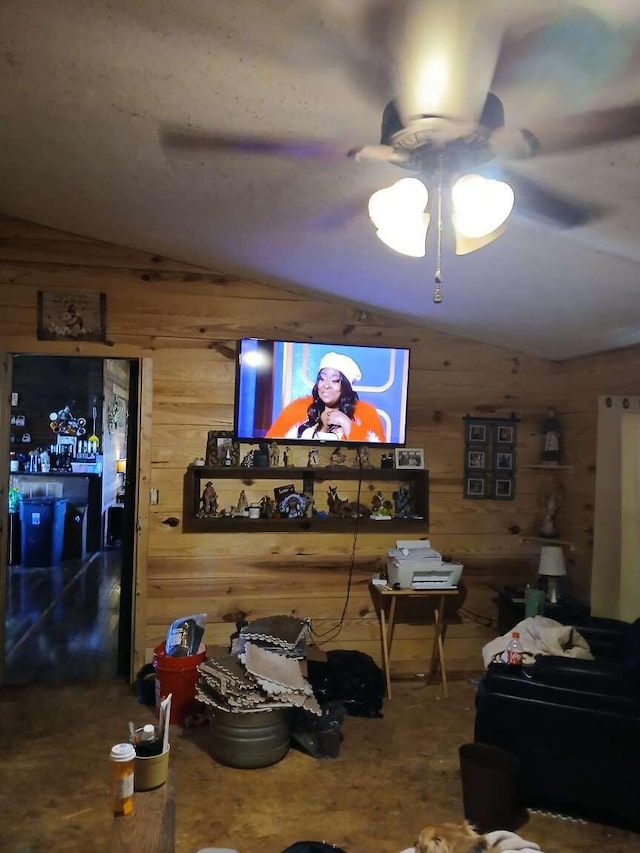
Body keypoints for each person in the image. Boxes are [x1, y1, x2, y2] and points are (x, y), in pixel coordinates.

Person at [265, 352, 386, 443]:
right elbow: (270, 445)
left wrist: (346, 423)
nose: (326, 385)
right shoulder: (297, 408)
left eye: (334, 380)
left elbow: (376, 455)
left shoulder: (366, 413)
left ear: (346, 386)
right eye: (322, 379)